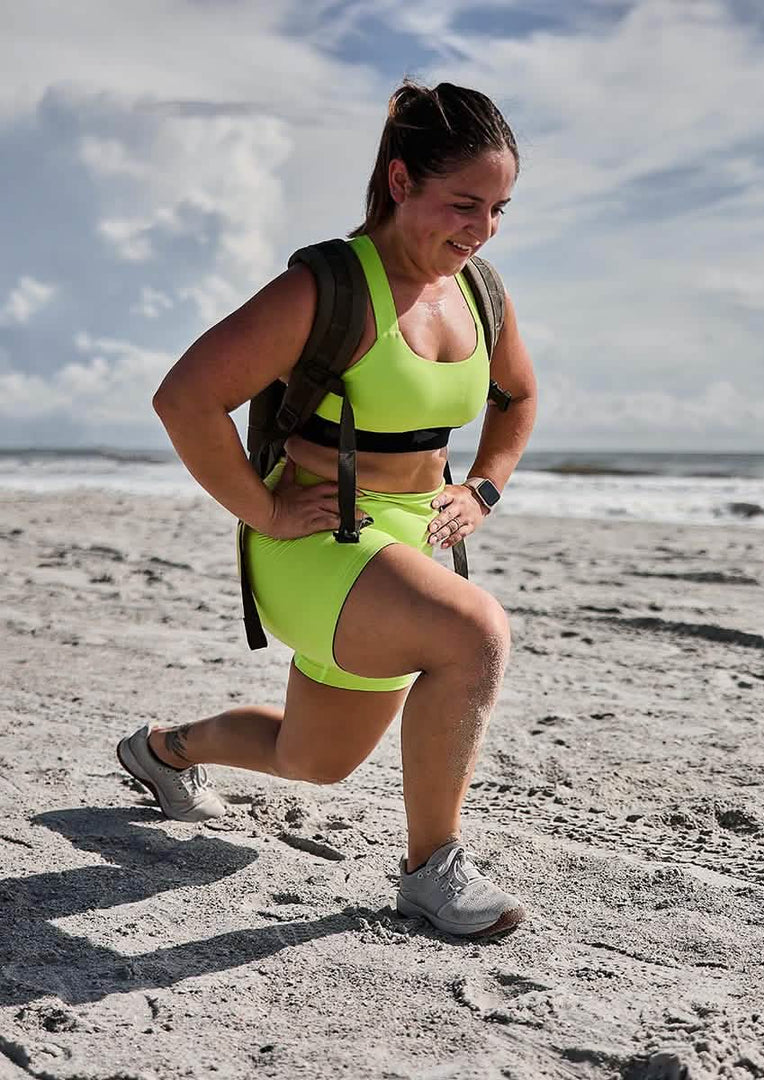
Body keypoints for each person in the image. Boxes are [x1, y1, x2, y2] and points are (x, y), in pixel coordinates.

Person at [116, 81, 537, 939]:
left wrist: (481, 487)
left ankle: (164, 750)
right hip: (315, 543)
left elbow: (517, 396)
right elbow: (185, 399)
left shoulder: (480, 291)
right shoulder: (327, 289)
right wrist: (262, 513)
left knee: (314, 761)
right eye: (464, 204)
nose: (482, 228)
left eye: (499, 209)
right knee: (475, 634)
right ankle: (432, 873)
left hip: (402, 549)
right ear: (399, 180)